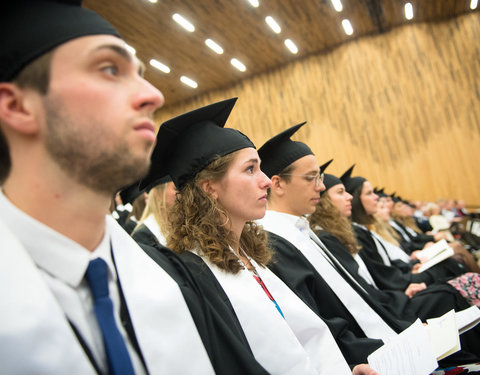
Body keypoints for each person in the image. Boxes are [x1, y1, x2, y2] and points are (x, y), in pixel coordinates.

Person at [0, 2, 266, 374]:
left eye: (139, 73)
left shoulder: (174, 276)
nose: (153, 95)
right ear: (18, 106)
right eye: (110, 69)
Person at [139, 99, 376, 375]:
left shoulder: (252, 255)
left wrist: (347, 368)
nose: (265, 181)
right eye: (250, 169)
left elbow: (295, 336)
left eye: (261, 168)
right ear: (210, 187)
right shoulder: (194, 274)